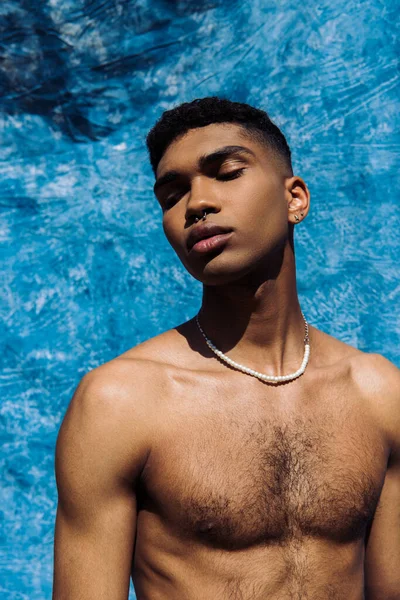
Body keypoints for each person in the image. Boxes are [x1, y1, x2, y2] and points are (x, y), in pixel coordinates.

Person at [52, 97, 400, 600]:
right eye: (172, 196)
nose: (197, 204)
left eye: (228, 172)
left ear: (295, 199)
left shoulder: (380, 394)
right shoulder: (121, 401)